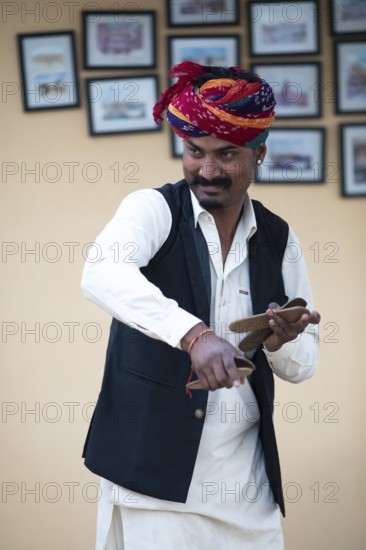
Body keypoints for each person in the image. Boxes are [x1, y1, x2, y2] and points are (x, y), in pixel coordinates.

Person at [81, 61, 321, 550]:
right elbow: (100, 273)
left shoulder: (279, 238)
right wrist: (194, 335)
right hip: (154, 482)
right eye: (195, 151)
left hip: (247, 488)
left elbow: (304, 366)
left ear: (260, 154)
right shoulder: (151, 209)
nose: (207, 169)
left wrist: (281, 341)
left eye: (227, 154)